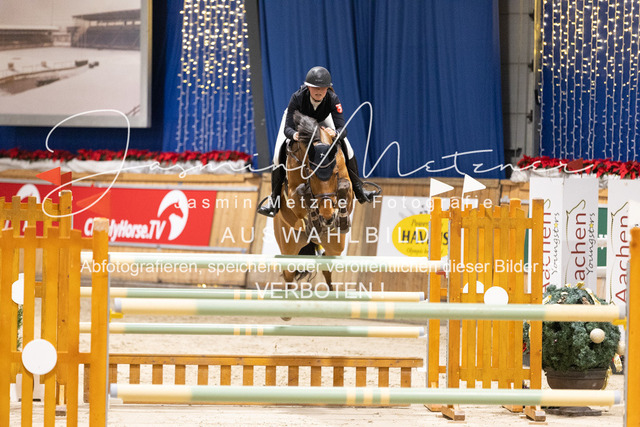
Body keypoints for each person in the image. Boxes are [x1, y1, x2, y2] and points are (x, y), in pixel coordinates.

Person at [257, 66, 376, 217]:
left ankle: (359, 189)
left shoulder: (333, 99)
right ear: (308, 87)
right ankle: (274, 201)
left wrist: (336, 133)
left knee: (348, 146)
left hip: (322, 118)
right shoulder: (297, 97)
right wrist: (294, 134)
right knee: (277, 155)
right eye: (315, 88)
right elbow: (287, 128)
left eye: (323, 88)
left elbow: (342, 128)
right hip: (297, 122)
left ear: (328, 88)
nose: (319, 91)